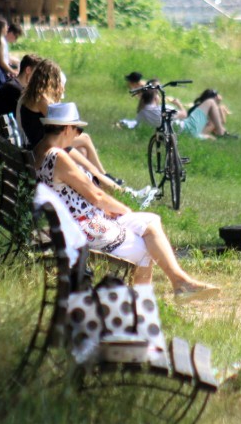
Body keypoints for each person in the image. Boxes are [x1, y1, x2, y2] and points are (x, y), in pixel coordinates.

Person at [34, 102, 219, 301]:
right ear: (68, 127)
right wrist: (124, 209)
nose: (78, 134)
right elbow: (95, 196)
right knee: (145, 248)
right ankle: (144, 310)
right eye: (78, 129)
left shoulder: (40, 150)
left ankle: (180, 282)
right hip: (83, 226)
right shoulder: (58, 156)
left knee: (151, 221)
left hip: (75, 222)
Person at [0, 53, 43, 120]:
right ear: (28, 70)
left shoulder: (13, 85)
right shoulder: (15, 90)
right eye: (37, 73)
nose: (38, 77)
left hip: (5, 127)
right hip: (10, 128)